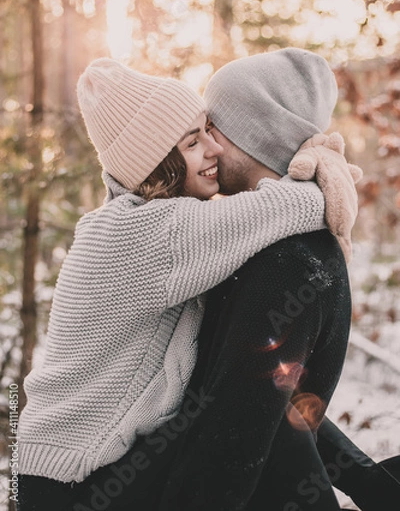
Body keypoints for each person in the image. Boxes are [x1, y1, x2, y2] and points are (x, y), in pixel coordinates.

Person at [17, 54, 357, 511]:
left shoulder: (162, 227)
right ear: (158, 161)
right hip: (73, 480)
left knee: (272, 428)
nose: (214, 150)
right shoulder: (145, 234)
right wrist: (328, 170)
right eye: (194, 141)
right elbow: (285, 208)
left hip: (89, 465)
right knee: (267, 435)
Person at [154, 49, 400, 511]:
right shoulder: (274, 243)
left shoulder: (286, 262)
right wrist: (369, 482)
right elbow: (286, 404)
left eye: (213, 128)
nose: (205, 145)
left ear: (253, 136)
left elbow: (231, 447)